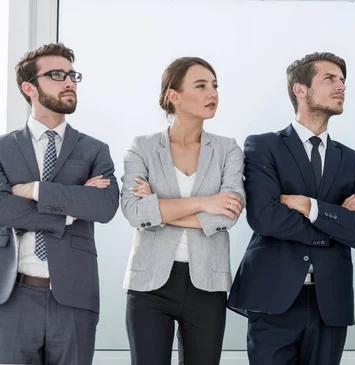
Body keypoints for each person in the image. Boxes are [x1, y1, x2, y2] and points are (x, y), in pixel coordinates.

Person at [227, 52, 355, 365]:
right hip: (272, 297)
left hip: (331, 304)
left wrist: (307, 205)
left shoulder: (353, 161)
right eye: (330, 79)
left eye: (343, 81)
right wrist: (336, 219)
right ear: (300, 89)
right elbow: (265, 217)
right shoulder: (263, 146)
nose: (341, 87)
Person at [120, 56, 245, 365]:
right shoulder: (143, 146)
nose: (212, 93)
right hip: (149, 285)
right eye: (201, 86)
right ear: (173, 96)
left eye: (215, 86)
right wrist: (204, 201)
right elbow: (135, 212)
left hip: (208, 285)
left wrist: (159, 210)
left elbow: (227, 214)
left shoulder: (228, 149)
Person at [0, 43, 120, 365]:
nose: (69, 82)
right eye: (56, 75)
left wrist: (37, 191)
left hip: (74, 298)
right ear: (30, 88)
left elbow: (105, 207)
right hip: (12, 298)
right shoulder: (2, 149)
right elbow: (2, 209)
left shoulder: (95, 150)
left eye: (72, 75)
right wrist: (68, 213)